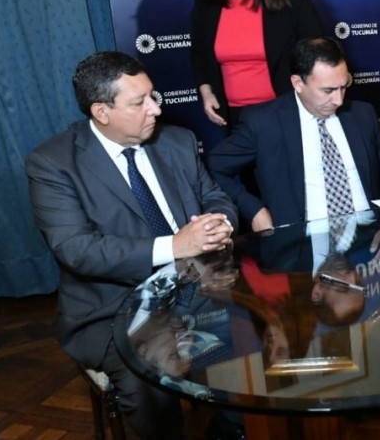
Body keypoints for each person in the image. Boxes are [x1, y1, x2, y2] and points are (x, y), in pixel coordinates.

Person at [25, 52, 238, 440]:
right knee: (150, 383)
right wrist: (175, 245)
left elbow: (215, 198)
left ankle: (231, 428)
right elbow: (77, 250)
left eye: (152, 96)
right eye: (140, 102)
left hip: (199, 288)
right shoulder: (54, 164)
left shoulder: (177, 141)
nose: (156, 108)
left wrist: (219, 224)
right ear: (102, 112)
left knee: (254, 342)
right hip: (115, 307)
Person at [206, 36, 380, 255]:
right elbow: (214, 167)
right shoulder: (263, 123)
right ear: (298, 83)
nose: (338, 100)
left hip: (372, 244)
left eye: (343, 87)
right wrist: (254, 210)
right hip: (299, 249)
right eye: (328, 91)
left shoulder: (362, 115)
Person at [191, 0, 323, 129]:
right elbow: (199, 52)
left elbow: (315, 47)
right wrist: (206, 92)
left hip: (284, 109)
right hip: (232, 117)